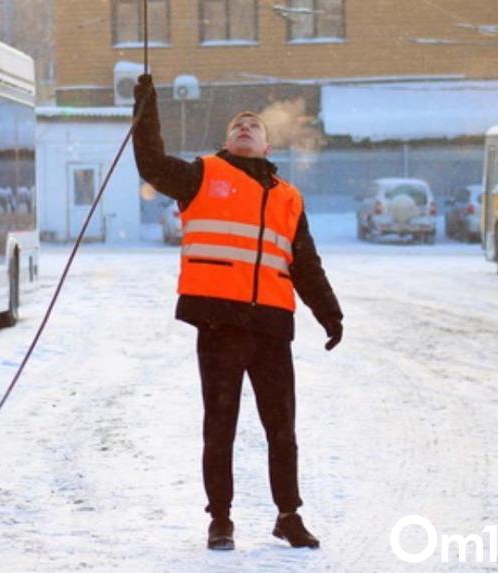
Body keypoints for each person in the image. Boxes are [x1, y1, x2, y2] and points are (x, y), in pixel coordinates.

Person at [132, 74, 343, 551]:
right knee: (220, 425)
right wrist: (146, 105)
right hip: (220, 324)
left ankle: (288, 515)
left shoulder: (289, 197)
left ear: (268, 144)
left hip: (270, 326)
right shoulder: (201, 175)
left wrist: (329, 314)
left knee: (281, 428)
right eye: (237, 125)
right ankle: (220, 520)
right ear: (227, 141)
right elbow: (150, 162)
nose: (246, 126)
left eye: (254, 124)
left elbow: (304, 263)